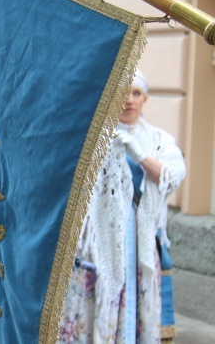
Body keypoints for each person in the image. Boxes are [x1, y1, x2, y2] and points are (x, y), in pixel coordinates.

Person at [58, 69, 186, 343]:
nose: (129, 100)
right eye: (123, 93)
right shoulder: (94, 137)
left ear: (145, 99)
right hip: (99, 240)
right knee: (94, 303)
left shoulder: (159, 140)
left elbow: (173, 176)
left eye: (136, 93)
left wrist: (139, 155)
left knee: (135, 306)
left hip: (139, 240)